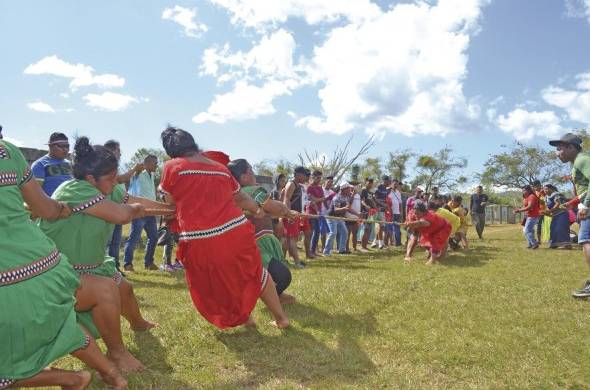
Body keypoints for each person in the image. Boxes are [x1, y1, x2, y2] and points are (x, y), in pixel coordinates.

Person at [0, 139, 127, 389]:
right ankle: (109, 371)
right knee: (63, 322)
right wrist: (60, 209)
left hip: (12, 272)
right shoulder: (7, 151)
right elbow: (46, 208)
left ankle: (86, 373)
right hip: (44, 264)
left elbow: (124, 209)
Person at [40, 137, 170, 373]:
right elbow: (123, 214)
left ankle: (138, 324)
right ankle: (117, 353)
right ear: (91, 178)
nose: (115, 183)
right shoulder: (75, 189)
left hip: (91, 265)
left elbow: (133, 201)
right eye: (110, 179)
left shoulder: (106, 187)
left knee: (125, 289)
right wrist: (137, 211)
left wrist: (170, 209)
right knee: (106, 290)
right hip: (59, 271)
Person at [159, 127, 289, 328]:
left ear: (171, 151)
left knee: (216, 282)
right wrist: (256, 209)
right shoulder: (219, 168)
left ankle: (245, 318)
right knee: (254, 273)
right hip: (236, 232)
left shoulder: (172, 167)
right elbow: (240, 197)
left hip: (201, 240)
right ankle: (280, 318)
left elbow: (171, 204)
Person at [227, 159, 297, 304]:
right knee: (282, 276)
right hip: (257, 245)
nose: (254, 174)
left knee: (275, 273)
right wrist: (286, 210)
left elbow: (265, 212)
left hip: (247, 243)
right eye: (251, 170)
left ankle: (275, 296)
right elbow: (273, 206)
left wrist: (285, 213)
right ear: (244, 176)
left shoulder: (236, 194)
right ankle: (270, 297)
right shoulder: (252, 191)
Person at [104, 140, 144, 270]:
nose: (120, 154)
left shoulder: (116, 166)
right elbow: (121, 179)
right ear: (110, 151)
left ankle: (115, 268)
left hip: (118, 207)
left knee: (115, 242)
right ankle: (106, 268)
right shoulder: (104, 166)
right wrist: (134, 169)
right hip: (108, 210)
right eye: (118, 151)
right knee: (107, 242)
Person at [123, 154, 159, 271]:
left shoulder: (152, 175)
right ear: (147, 163)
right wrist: (136, 170)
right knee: (134, 238)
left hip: (150, 212)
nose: (157, 165)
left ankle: (148, 263)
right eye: (155, 163)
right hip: (139, 212)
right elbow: (133, 177)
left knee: (153, 237)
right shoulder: (138, 174)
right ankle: (128, 264)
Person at [31, 132, 73, 196]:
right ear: (50, 146)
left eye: (67, 146)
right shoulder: (39, 165)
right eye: (61, 146)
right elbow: (35, 193)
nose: (65, 149)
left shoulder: (70, 164)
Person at [282, 166, 308, 268]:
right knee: (290, 239)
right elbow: (286, 199)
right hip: (291, 215)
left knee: (290, 239)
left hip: (295, 214)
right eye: (304, 174)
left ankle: (283, 260)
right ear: (298, 174)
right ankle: (297, 262)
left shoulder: (298, 185)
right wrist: (289, 214)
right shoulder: (291, 184)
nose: (305, 177)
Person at [324, 183, 352, 255]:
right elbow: (336, 210)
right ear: (344, 189)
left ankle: (341, 250)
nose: (350, 190)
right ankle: (326, 251)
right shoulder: (337, 197)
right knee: (333, 233)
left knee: (345, 232)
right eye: (349, 189)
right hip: (331, 217)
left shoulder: (346, 197)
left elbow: (348, 208)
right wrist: (344, 208)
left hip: (339, 217)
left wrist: (357, 214)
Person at [543, 184, 571, 249]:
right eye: (544, 189)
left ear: (551, 189)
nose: (545, 190)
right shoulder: (546, 197)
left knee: (561, 229)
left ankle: (567, 245)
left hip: (562, 214)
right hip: (555, 215)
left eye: (546, 189)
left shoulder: (556, 194)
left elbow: (557, 204)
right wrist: (545, 212)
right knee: (553, 229)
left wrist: (550, 211)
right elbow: (547, 207)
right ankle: (554, 244)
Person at [513, 185, 541, 249]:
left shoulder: (531, 196)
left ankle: (534, 243)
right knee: (529, 230)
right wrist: (519, 209)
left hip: (533, 216)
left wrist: (519, 210)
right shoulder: (527, 197)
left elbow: (530, 207)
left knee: (527, 230)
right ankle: (530, 244)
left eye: (525, 190)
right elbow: (526, 207)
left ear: (529, 190)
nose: (523, 192)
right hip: (528, 216)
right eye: (522, 190)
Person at [306, 170, 325, 256]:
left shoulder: (320, 187)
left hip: (318, 212)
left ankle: (313, 251)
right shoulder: (309, 187)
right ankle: (309, 251)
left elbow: (322, 198)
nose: (319, 180)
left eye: (320, 178)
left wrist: (318, 200)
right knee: (311, 232)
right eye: (318, 178)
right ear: (313, 177)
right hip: (311, 212)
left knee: (317, 232)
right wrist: (319, 199)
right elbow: (311, 200)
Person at [373, 176, 391, 249]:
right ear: (384, 180)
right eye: (388, 181)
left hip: (383, 210)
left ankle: (375, 242)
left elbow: (385, 197)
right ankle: (381, 244)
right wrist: (382, 204)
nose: (389, 183)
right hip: (378, 209)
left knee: (381, 226)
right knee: (380, 226)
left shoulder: (385, 189)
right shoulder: (379, 187)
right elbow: (374, 197)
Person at [360, 178, 377, 252]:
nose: (370, 184)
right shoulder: (364, 191)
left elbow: (373, 201)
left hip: (371, 213)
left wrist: (375, 207)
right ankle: (362, 247)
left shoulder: (371, 192)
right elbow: (362, 201)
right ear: (366, 182)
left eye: (371, 183)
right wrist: (366, 206)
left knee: (369, 229)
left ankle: (365, 246)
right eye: (369, 182)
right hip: (365, 212)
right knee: (366, 229)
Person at [345, 184, 362, 252]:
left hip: (356, 217)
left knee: (355, 233)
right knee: (347, 233)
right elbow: (349, 203)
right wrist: (353, 194)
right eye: (352, 187)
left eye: (355, 187)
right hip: (349, 216)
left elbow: (359, 204)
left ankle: (354, 248)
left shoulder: (358, 195)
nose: (354, 188)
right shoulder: (348, 194)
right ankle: (346, 248)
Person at [388, 179, 403, 246]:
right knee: (391, 228)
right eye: (394, 184)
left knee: (397, 228)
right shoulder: (388, 191)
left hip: (397, 213)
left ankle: (398, 242)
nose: (396, 185)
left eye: (397, 184)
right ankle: (392, 242)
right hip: (390, 212)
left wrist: (401, 212)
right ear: (391, 184)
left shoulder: (398, 192)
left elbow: (400, 203)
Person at [532, 180, 547, 244]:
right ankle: (537, 239)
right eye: (537, 186)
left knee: (542, 225)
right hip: (537, 211)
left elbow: (545, 200)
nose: (539, 187)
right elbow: (535, 201)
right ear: (534, 187)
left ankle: (541, 239)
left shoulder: (544, 192)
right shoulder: (534, 193)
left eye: (539, 185)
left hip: (545, 211)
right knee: (537, 225)